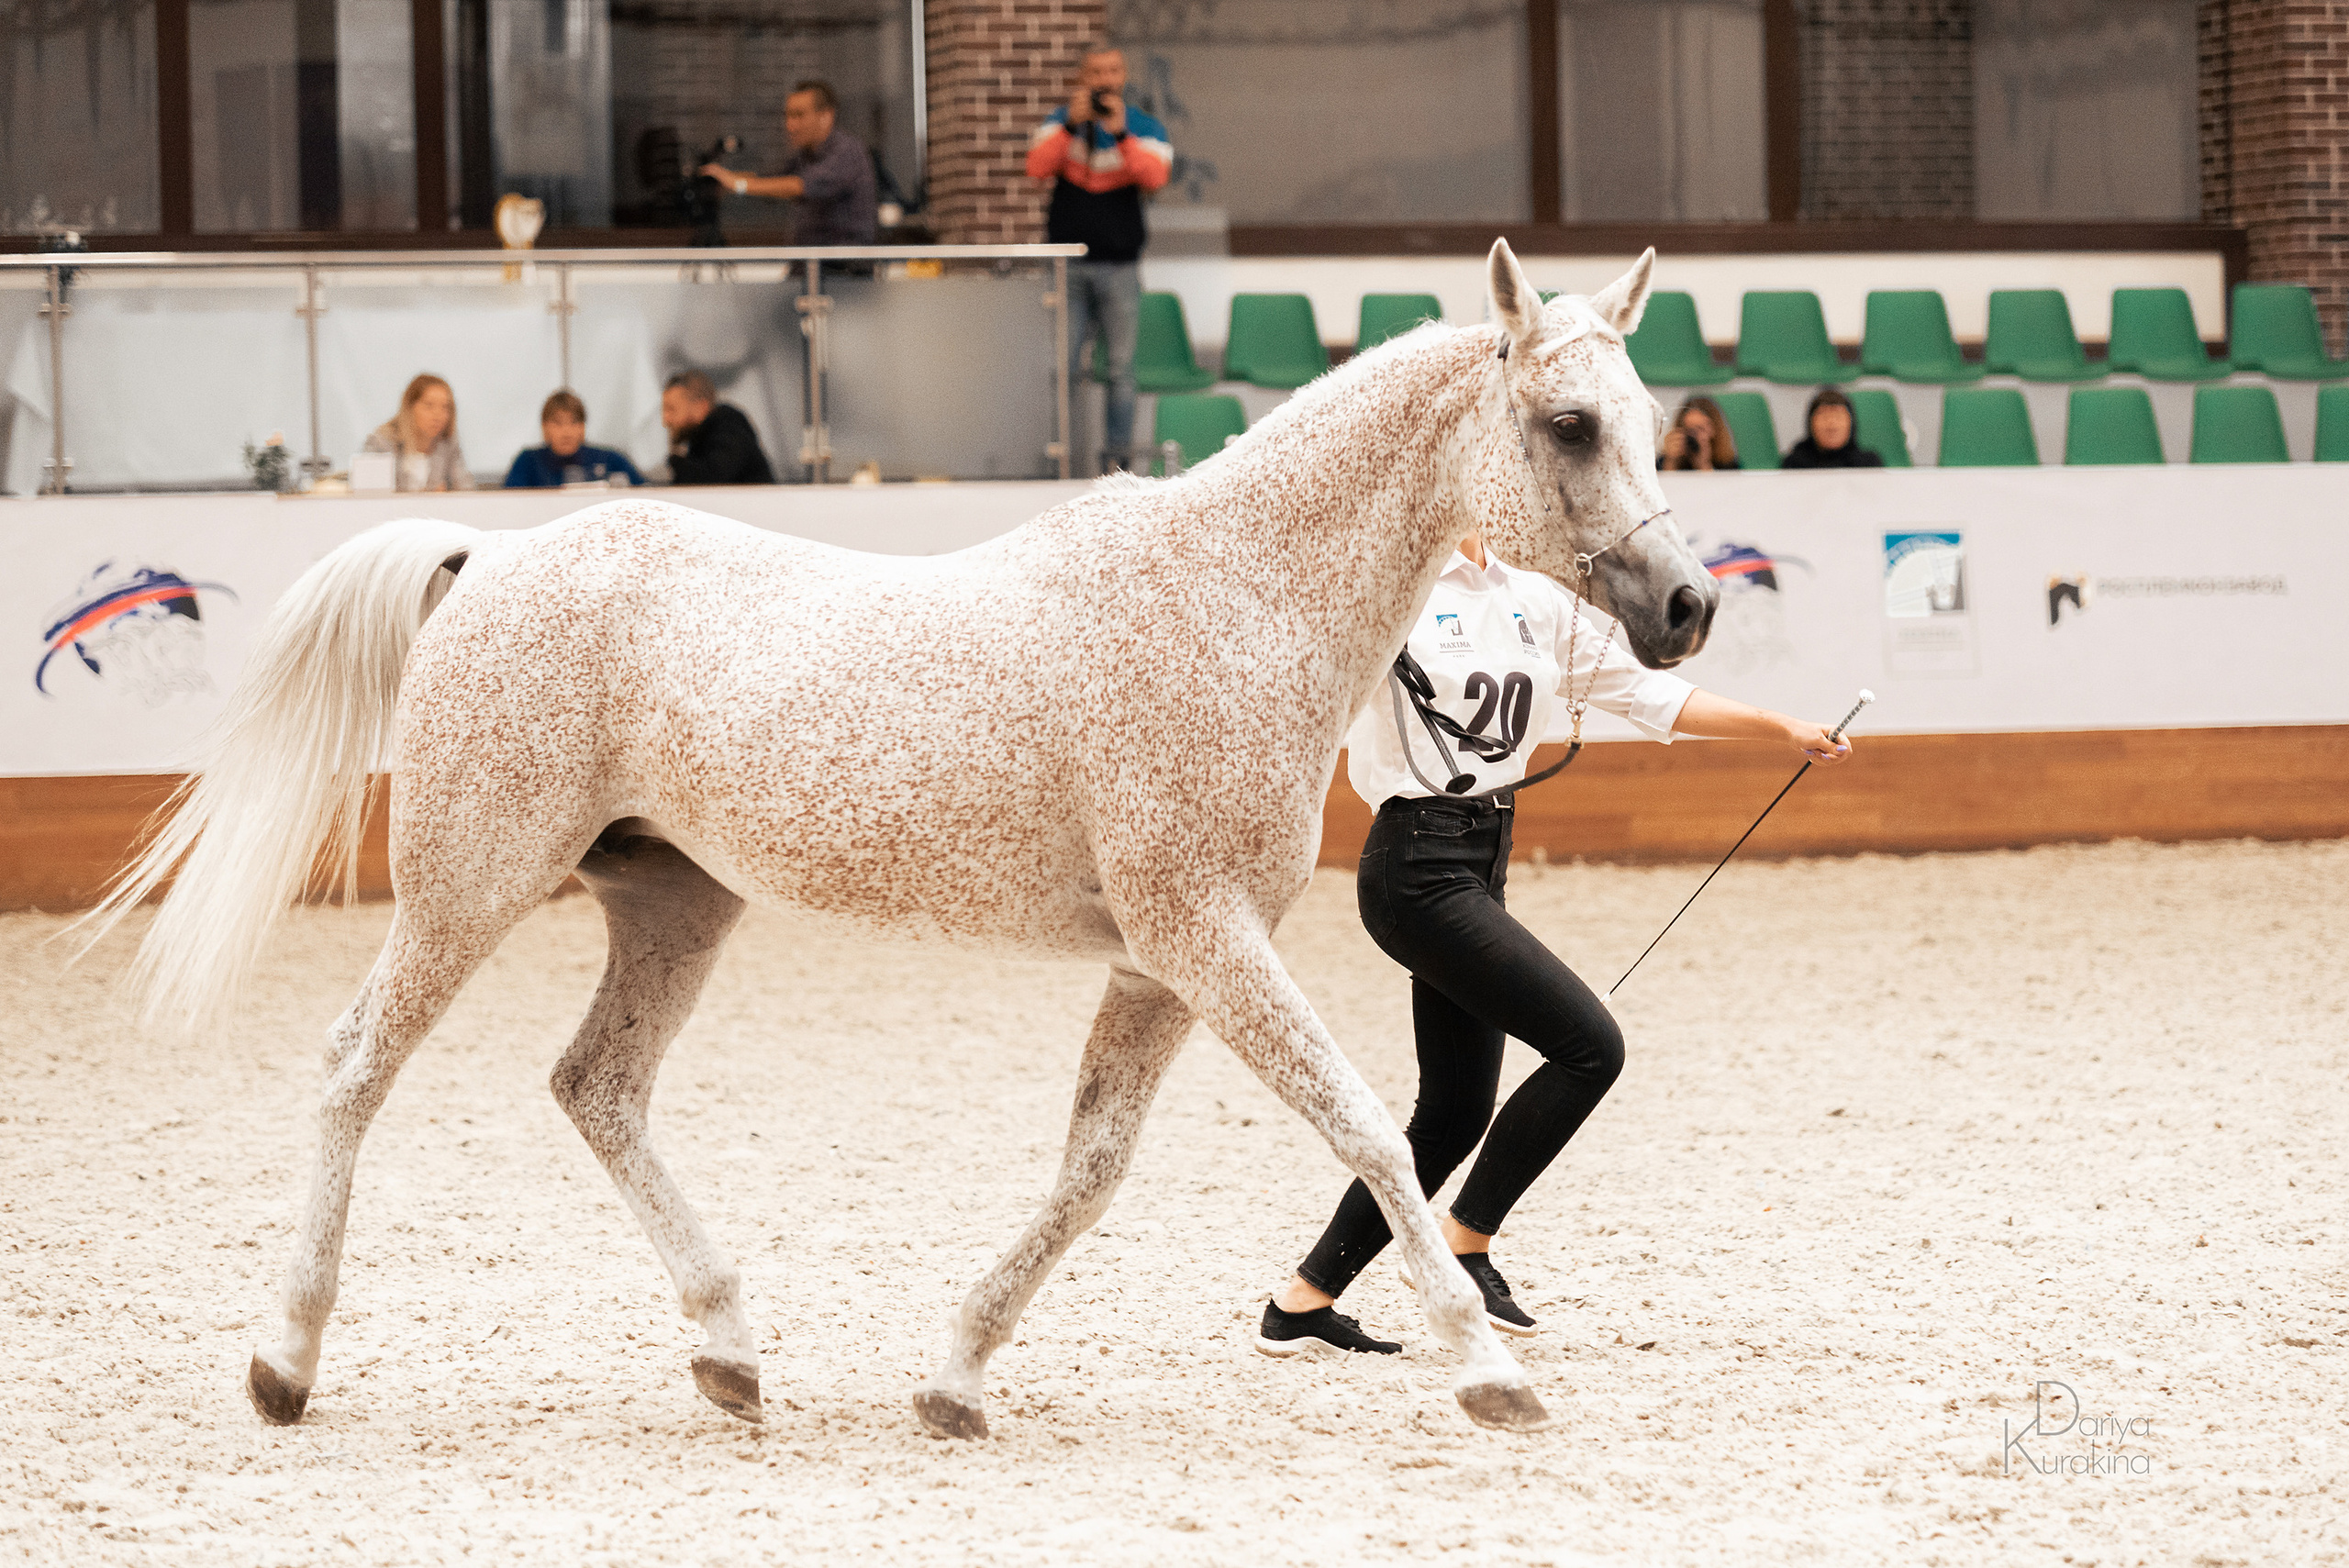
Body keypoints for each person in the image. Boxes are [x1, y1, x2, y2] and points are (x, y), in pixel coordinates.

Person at [1255, 532, 1854, 1358]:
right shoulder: (1388, 586)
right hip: (1414, 865)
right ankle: (1466, 1242)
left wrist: (1781, 727)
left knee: (1456, 1110)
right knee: (1589, 1046)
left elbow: (1651, 698)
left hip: (1480, 858)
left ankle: (1303, 1302)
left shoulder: (1532, 598)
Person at [1025, 45, 1173, 473]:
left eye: (1112, 71)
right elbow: (1036, 168)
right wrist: (1072, 125)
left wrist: (1122, 134)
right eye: (1096, 73)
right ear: (1082, 78)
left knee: (1121, 372)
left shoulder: (1145, 127)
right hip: (1067, 268)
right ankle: (1061, 464)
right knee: (1062, 370)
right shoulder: (1060, 123)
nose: (1104, 80)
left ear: (1123, 76)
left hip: (1121, 266)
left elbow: (1155, 178)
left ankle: (1118, 469)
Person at [698, 80, 877, 247]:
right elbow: (773, 180)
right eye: (788, 116)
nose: (790, 125)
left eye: (799, 115)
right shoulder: (804, 155)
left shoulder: (846, 152)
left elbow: (799, 186)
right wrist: (723, 181)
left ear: (826, 116)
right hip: (809, 269)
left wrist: (739, 184)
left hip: (843, 274)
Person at [505, 391, 645, 489]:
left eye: (574, 423)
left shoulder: (610, 460)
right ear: (544, 427)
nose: (567, 432)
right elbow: (509, 504)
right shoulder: (528, 462)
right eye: (558, 423)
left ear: (583, 427)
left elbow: (646, 494)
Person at [660, 370, 775, 486]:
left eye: (671, 409)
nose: (665, 420)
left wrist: (675, 462)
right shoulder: (701, 439)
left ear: (701, 407)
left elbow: (712, 481)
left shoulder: (730, 430)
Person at [362, 374, 472, 492]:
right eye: (429, 406)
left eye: (445, 407)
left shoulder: (448, 443)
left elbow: (466, 489)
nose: (438, 415)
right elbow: (370, 495)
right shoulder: (381, 442)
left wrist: (448, 497)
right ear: (410, 407)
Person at [1782, 386, 1886, 469]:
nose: (1832, 425)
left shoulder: (1869, 465)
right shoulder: (1795, 464)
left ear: (1851, 423)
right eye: (1824, 417)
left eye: (1838, 417)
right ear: (1810, 423)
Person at [1657, 395, 1740, 472]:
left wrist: (1704, 465)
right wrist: (1670, 462)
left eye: (1700, 429)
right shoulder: (1665, 461)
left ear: (1715, 430)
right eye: (1689, 430)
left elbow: (1725, 487)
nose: (1694, 436)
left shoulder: (1728, 464)